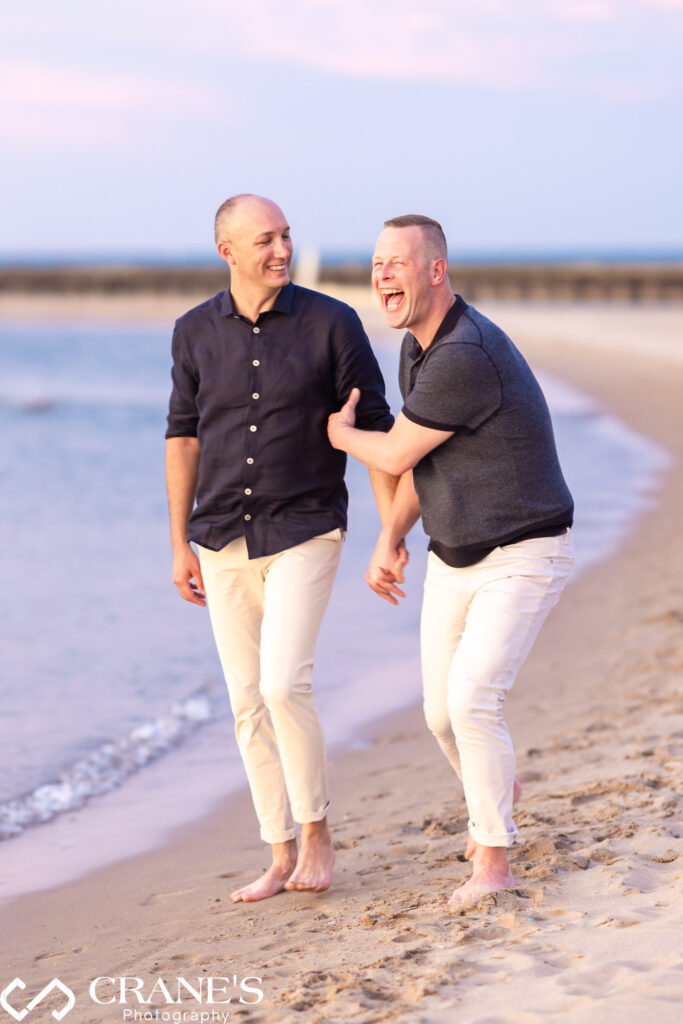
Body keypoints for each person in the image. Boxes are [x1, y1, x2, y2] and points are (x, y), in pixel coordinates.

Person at [327, 214, 574, 908]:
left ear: (435, 270)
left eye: (396, 263)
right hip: (454, 553)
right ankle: (498, 786)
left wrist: (340, 433)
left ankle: (493, 862)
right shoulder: (418, 346)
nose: (381, 275)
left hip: (524, 551)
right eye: (375, 263)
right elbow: (422, 459)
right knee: (440, 714)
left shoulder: (464, 352)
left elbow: (396, 452)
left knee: (472, 701)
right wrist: (388, 537)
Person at [165, 195, 395, 902]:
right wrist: (178, 543)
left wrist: (390, 537)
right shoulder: (193, 332)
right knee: (244, 700)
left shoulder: (332, 324)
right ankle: (278, 849)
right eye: (264, 238)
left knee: (281, 682)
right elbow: (183, 437)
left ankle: (318, 833)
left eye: (285, 235)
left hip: (305, 526)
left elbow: (381, 438)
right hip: (220, 538)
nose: (280, 249)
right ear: (227, 252)